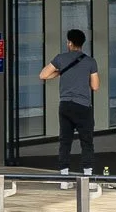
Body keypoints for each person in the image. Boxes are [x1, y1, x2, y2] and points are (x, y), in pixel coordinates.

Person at [40, 27, 101, 173]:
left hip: (65, 105)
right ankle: (87, 174)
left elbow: (43, 75)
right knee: (86, 141)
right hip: (83, 106)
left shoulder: (60, 58)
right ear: (82, 44)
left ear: (69, 43)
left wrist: (59, 73)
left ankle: (64, 176)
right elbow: (95, 86)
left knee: (65, 141)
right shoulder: (90, 61)